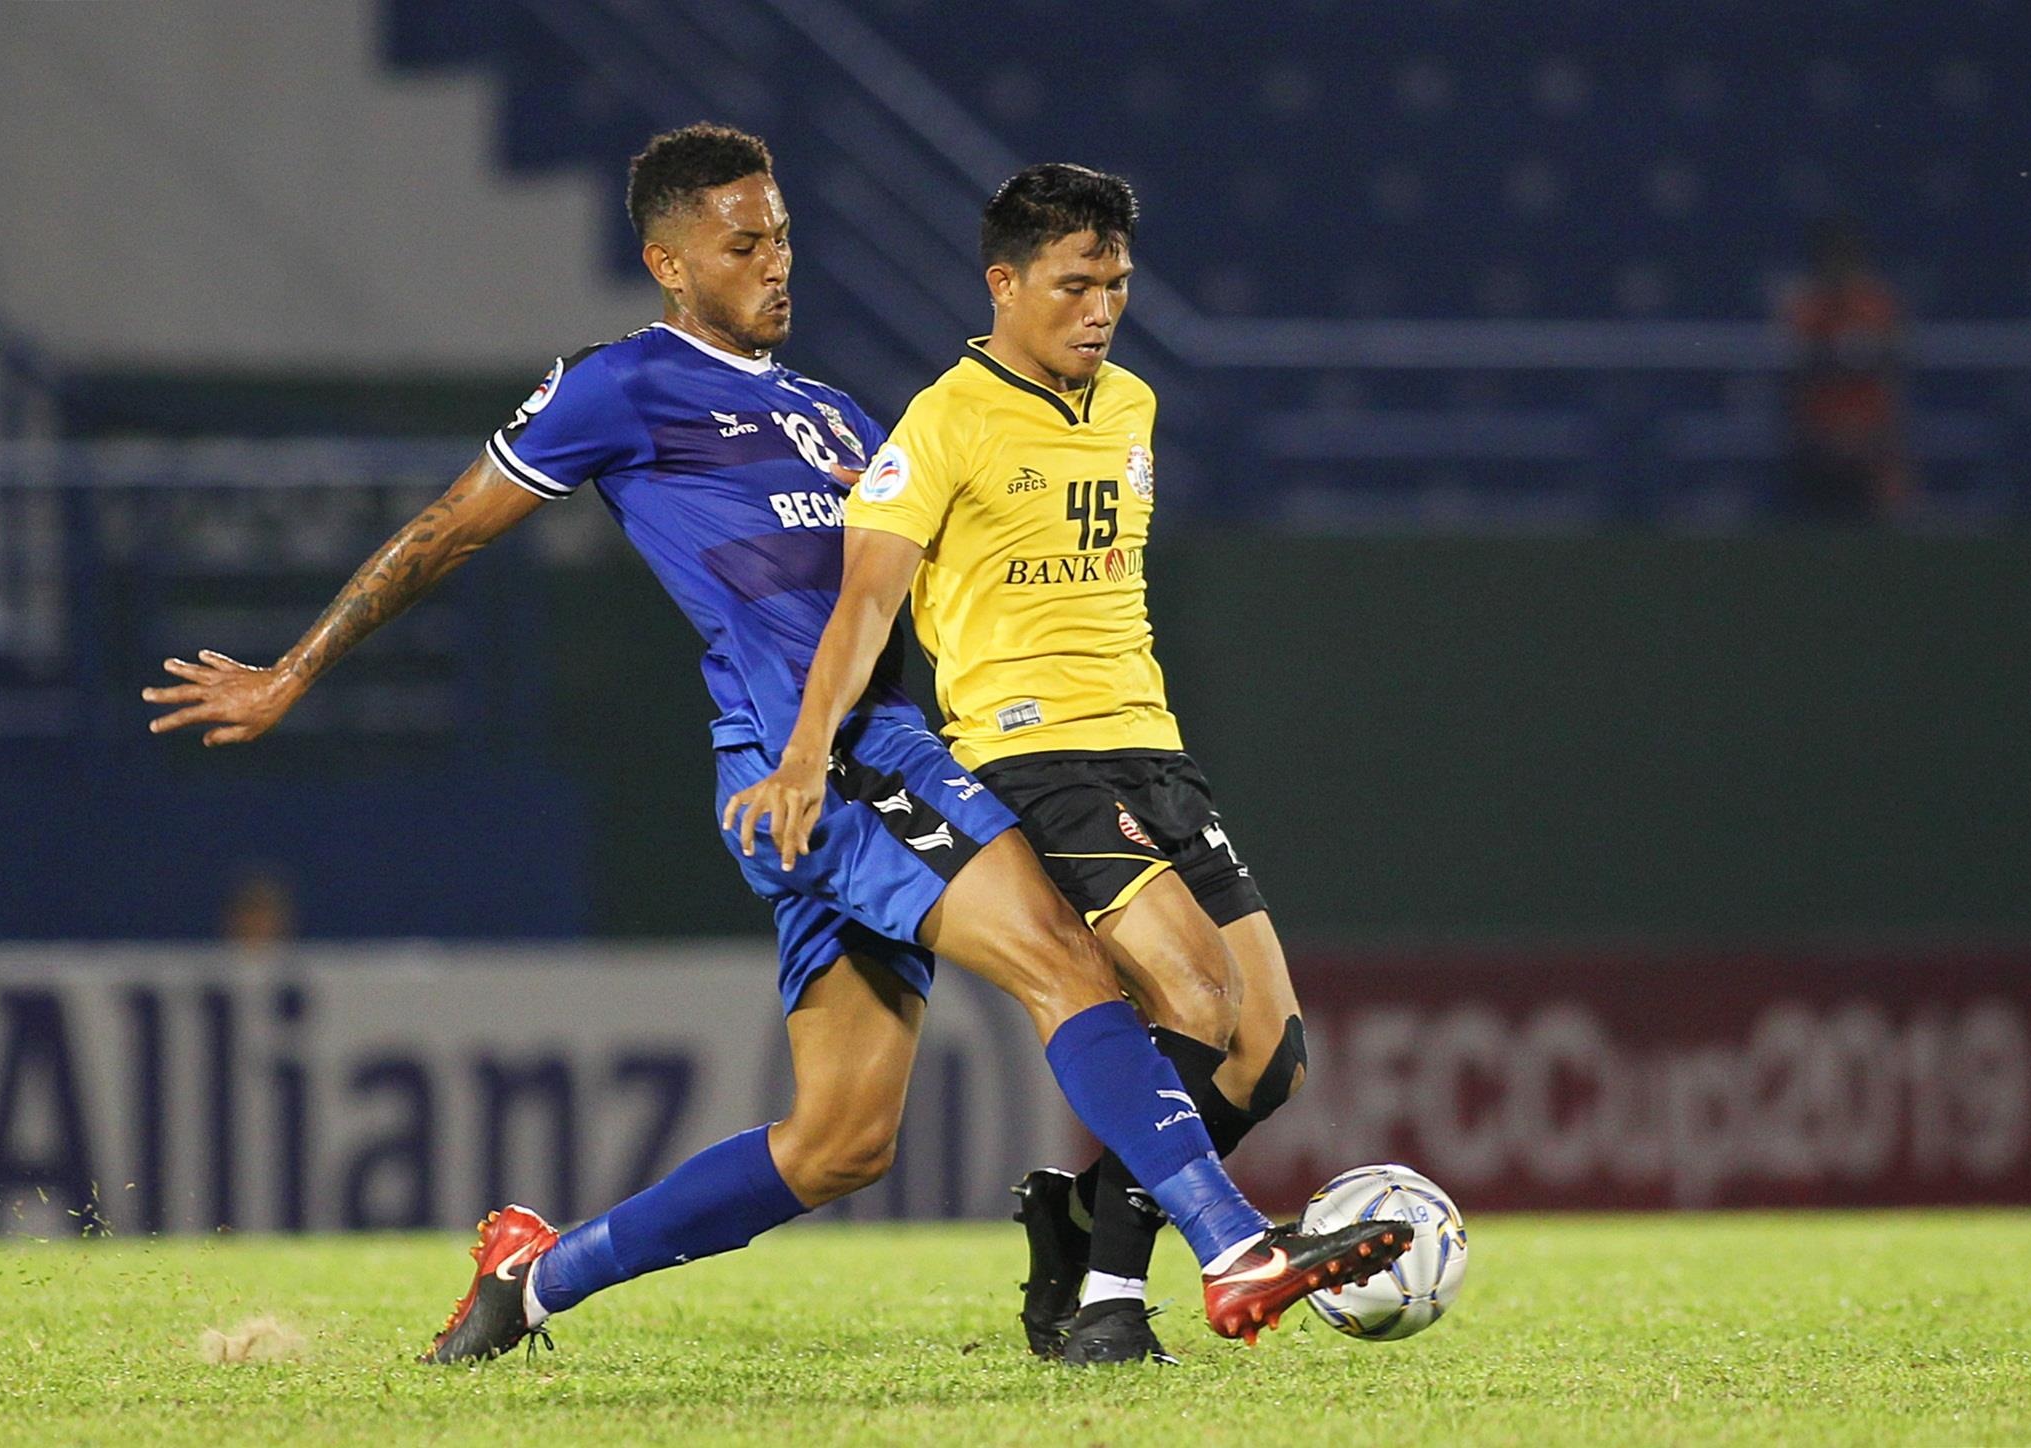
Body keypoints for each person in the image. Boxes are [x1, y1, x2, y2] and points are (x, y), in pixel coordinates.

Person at [142, 124, 1407, 1365]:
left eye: (784, 235)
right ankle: (1228, 1245)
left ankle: (534, 1276)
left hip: (841, 769)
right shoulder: (619, 382)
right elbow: (448, 527)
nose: (776, 263)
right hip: (823, 762)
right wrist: (293, 670)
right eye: (743, 245)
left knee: (839, 1142)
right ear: (670, 265)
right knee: (1066, 965)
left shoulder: (834, 411)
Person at [725, 164, 1312, 1366]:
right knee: (1194, 999)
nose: (1099, 309)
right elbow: (861, 609)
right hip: (1034, 751)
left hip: (1153, 747)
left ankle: (1072, 1222)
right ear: (1004, 283)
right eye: (1073, 284)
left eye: (1118, 285)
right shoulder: (941, 419)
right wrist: (799, 756)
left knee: (1270, 1055)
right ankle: (1107, 1296)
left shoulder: (1132, 404)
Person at [1781, 215, 1912, 522]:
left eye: (1845, 258)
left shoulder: (1877, 306)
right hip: (1818, 439)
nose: (1837, 268)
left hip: (1870, 437)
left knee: (1874, 529)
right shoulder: (1806, 307)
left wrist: (1877, 437)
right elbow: (1796, 376)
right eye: (1831, 258)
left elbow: (1894, 374)